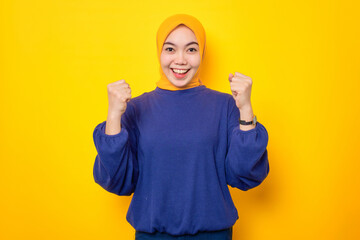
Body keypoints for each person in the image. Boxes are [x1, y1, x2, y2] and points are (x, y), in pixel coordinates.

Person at [92, 14, 269, 240]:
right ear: (159, 52)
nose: (181, 60)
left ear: (201, 53)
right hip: (153, 235)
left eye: (191, 50)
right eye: (170, 49)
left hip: (213, 235)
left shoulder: (226, 105)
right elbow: (117, 181)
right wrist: (114, 115)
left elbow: (246, 175)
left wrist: (245, 108)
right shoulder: (135, 108)